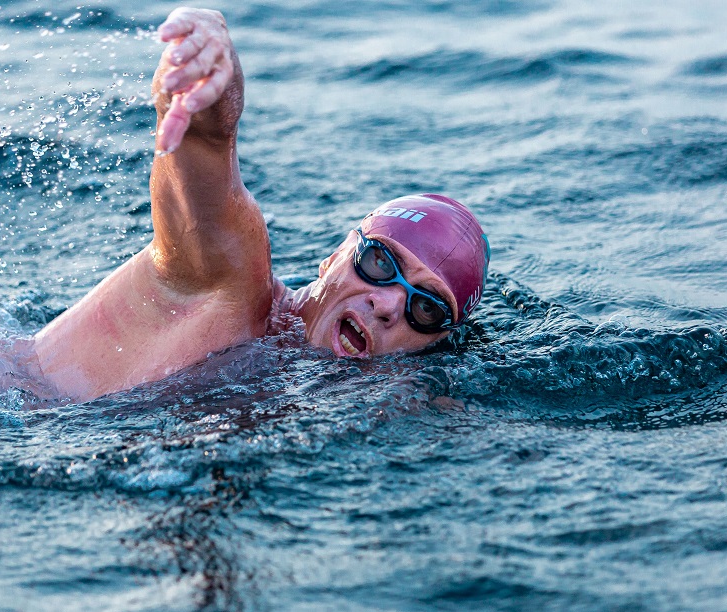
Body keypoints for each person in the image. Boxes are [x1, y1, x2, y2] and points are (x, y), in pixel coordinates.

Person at [30, 7, 490, 401]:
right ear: (333, 258)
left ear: (438, 341)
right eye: (378, 262)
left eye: (426, 308)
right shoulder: (233, 286)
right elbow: (206, 144)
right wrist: (212, 69)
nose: (389, 303)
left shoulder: (324, 394)